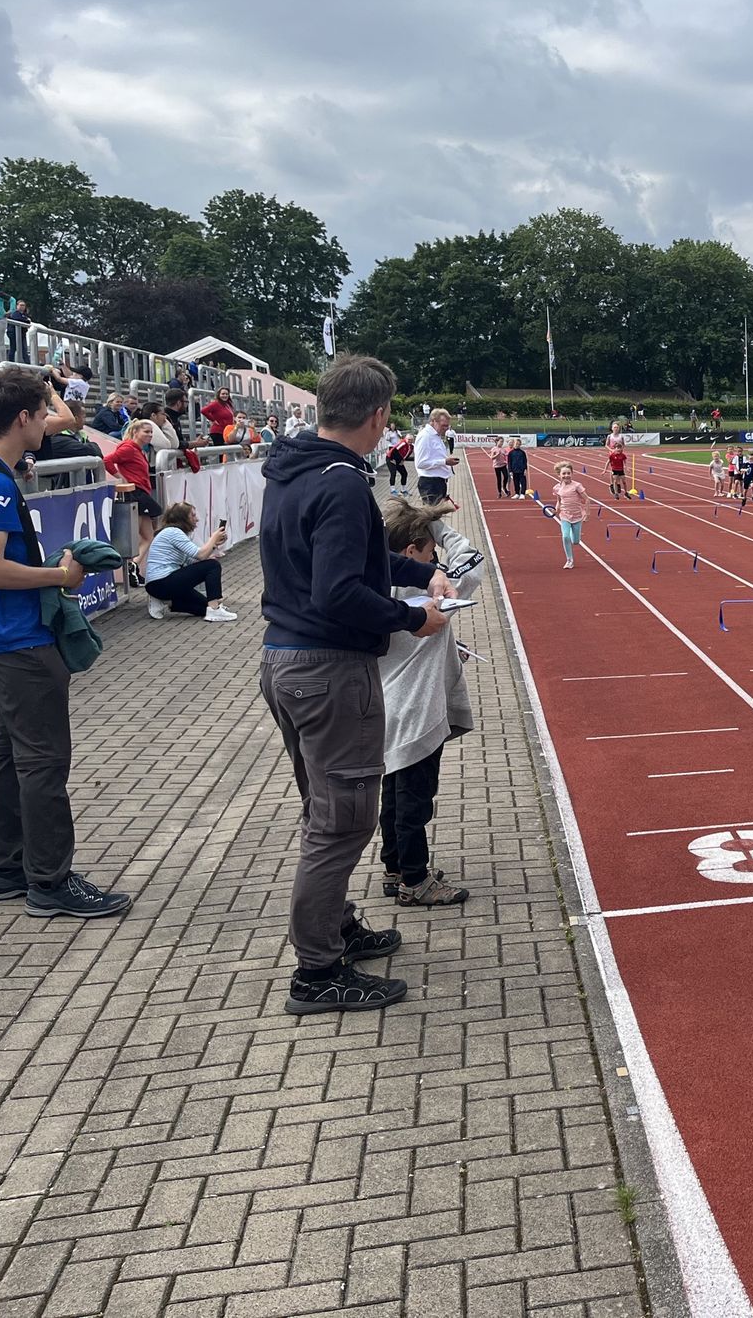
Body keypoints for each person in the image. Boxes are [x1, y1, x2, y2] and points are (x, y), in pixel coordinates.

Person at [259, 353, 453, 1016]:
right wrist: (413, 618)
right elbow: (338, 589)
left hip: (286, 658)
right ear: (377, 415)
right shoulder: (341, 482)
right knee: (342, 821)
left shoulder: (295, 466)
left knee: (326, 810)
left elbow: (347, 556)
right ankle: (317, 971)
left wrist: (416, 573)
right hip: (328, 669)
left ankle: (336, 927)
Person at [0, 366, 128, 919]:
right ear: (23, 418)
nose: (48, 423)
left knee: (9, 752)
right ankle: (50, 880)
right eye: (43, 414)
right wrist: (60, 576)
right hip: (16, 638)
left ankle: (5, 869)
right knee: (43, 761)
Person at [376, 499, 474, 908]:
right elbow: (472, 560)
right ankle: (415, 880)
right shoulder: (430, 590)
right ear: (412, 549)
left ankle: (395, 867)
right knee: (416, 797)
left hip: (386, 704)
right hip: (418, 709)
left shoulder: (373, 588)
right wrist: (439, 529)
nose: (436, 562)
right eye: (430, 552)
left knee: (393, 791)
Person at [142, 502, 233, 621]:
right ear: (183, 518)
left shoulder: (173, 532)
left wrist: (214, 545)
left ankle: (167, 601)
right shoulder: (173, 532)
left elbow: (191, 560)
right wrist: (213, 539)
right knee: (213, 565)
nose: (197, 519)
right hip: (161, 582)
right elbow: (200, 555)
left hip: (158, 584)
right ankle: (214, 609)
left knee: (204, 608)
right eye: (193, 516)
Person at [101, 420, 163, 582]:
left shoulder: (138, 450)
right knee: (135, 534)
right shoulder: (128, 448)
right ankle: (129, 567)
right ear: (135, 432)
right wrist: (121, 478)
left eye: (151, 432)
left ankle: (133, 566)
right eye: (146, 432)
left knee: (148, 535)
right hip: (136, 494)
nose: (150, 435)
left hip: (141, 492)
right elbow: (107, 460)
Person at [415, 408, 456, 505]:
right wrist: (444, 462)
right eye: (443, 425)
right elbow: (420, 463)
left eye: (447, 425)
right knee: (432, 513)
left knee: (437, 512)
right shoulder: (425, 436)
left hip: (437, 483)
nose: (446, 428)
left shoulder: (435, 435)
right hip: (430, 484)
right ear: (433, 421)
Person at [552, 462, 588, 568]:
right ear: (559, 475)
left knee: (576, 541)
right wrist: (556, 510)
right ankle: (569, 560)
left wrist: (587, 513)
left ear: (572, 473)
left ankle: (574, 535)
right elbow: (559, 501)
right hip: (564, 515)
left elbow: (587, 499)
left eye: (568, 473)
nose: (566, 475)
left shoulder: (577, 486)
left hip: (577, 516)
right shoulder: (557, 488)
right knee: (565, 537)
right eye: (564, 473)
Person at [383, 426, 412, 495]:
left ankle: (403, 490)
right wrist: (392, 459)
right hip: (390, 458)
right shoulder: (403, 443)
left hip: (398, 460)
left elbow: (407, 454)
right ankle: (392, 490)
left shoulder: (411, 446)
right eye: (409, 439)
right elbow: (394, 450)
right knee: (393, 473)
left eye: (411, 440)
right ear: (406, 439)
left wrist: (403, 460)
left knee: (404, 473)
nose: (410, 441)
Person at [605, 422, 631, 500]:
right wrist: (611, 450)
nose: (616, 429)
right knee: (612, 469)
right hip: (612, 454)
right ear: (612, 428)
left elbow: (623, 445)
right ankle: (612, 485)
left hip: (619, 454)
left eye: (617, 427)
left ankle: (618, 485)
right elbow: (606, 445)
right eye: (614, 427)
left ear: (619, 428)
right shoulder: (610, 436)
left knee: (620, 470)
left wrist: (620, 450)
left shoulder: (621, 436)